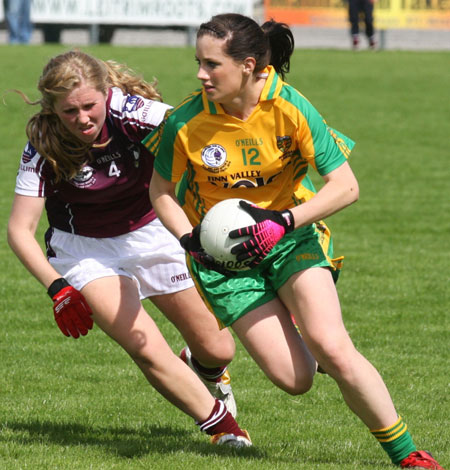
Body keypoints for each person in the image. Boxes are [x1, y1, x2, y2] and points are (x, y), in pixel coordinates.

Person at [147, 13, 445, 469]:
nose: (200, 75)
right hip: (224, 263)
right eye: (199, 63)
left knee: (332, 345)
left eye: (211, 65)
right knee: (296, 380)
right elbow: (160, 192)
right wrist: (189, 237)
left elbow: (347, 186)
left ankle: (409, 457)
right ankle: (208, 358)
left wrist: (282, 222)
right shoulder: (185, 122)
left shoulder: (290, 107)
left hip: (290, 240)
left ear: (248, 65)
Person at [6, 50, 250, 446]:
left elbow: (194, 129)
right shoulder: (42, 148)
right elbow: (20, 230)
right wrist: (59, 289)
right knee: (145, 346)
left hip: (152, 231)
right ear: (52, 110)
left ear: (106, 93)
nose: (83, 119)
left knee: (218, 348)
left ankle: (201, 367)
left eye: (89, 106)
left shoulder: (133, 113)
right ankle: (224, 430)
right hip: (85, 250)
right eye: (70, 112)